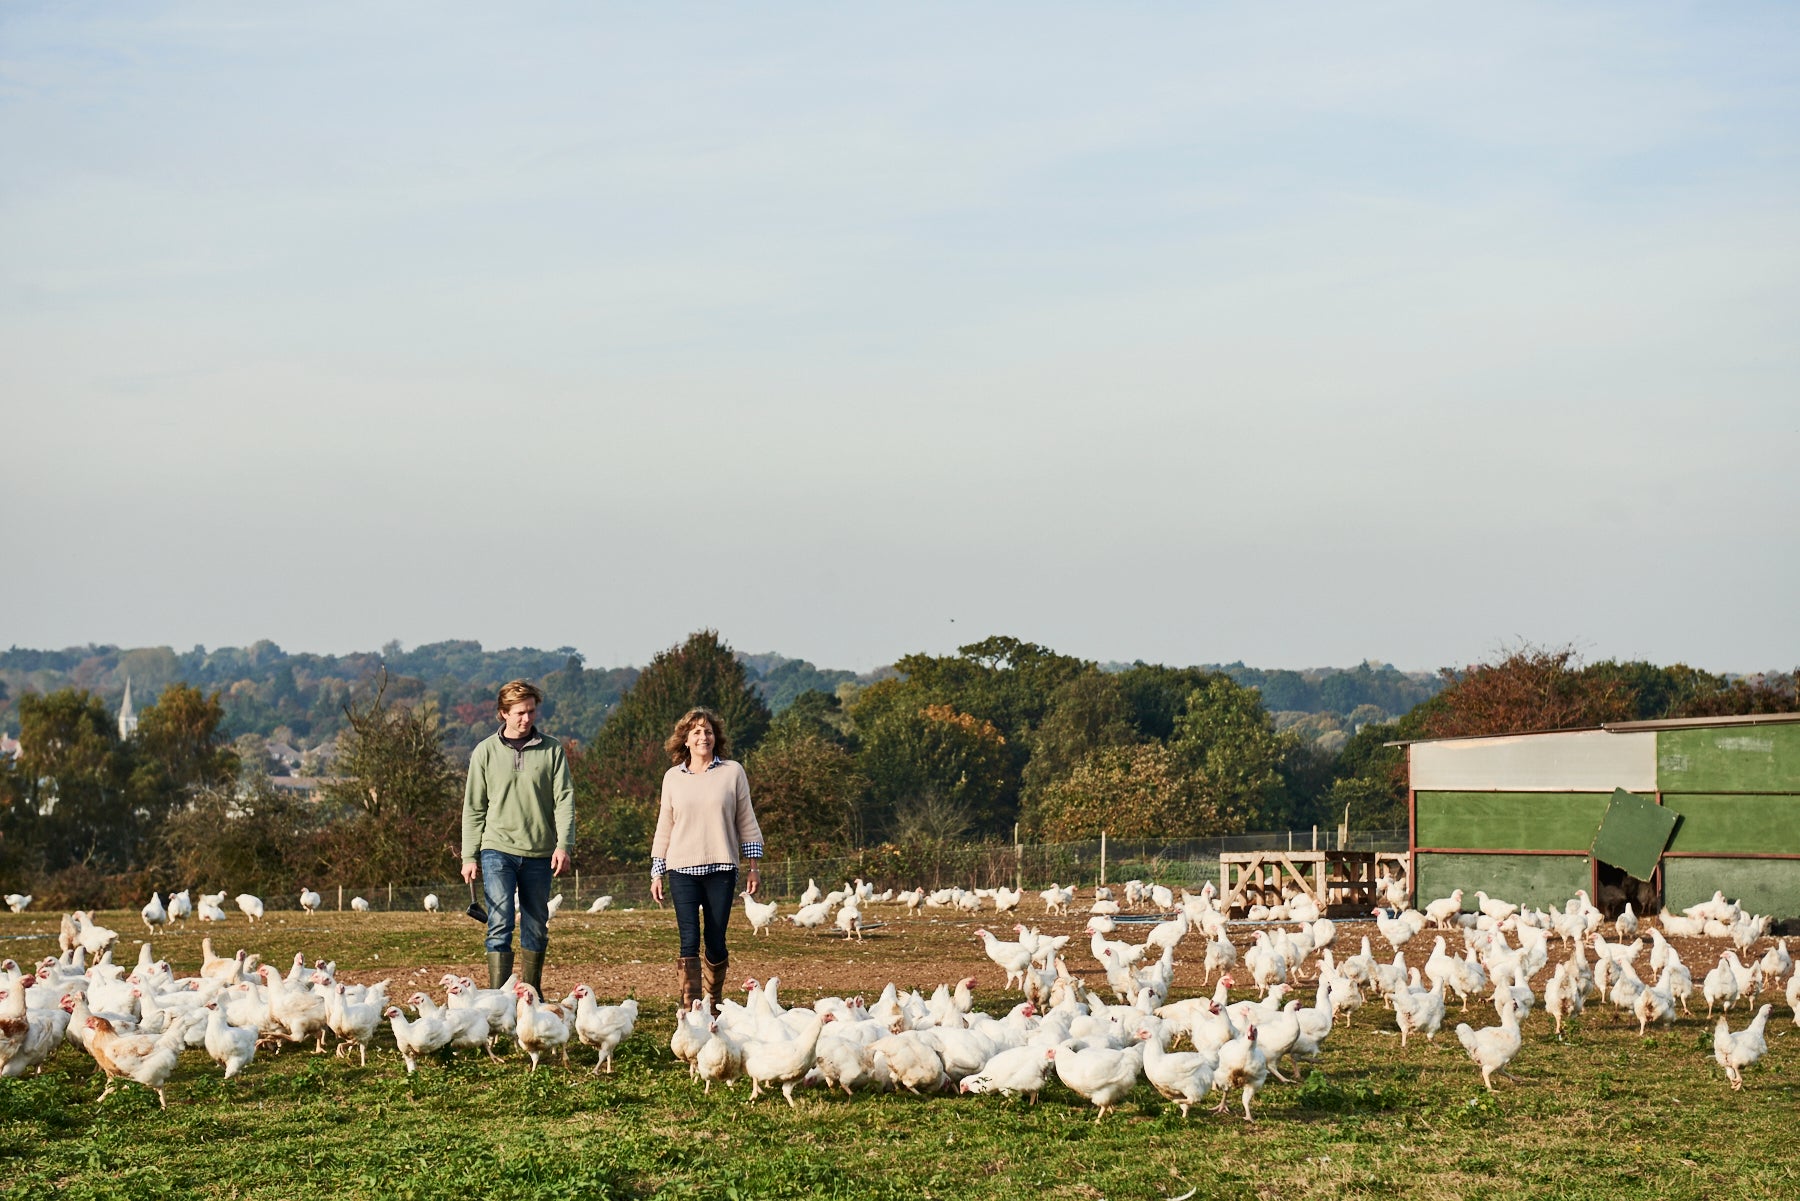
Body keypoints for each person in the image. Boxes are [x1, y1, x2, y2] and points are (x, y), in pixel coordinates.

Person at [461, 680, 573, 996]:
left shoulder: (552, 750)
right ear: (503, 713)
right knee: (500, 923)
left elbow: (564, 798)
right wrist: (469, 855)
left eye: (531, 711)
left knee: (536, 926)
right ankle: (500, 1003)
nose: (527, 718)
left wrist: (564, 845)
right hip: (496, 849)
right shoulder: (484, 752)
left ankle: (530, 997)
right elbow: (473, 806)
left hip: (540, 852)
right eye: (520, 713)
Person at [649, 706, 764, 1011]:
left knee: (715, 939)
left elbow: (746, 820)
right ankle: (690, 1006)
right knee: (688, 939)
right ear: (684, 739)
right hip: (681, 870)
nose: (704, 736)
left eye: (708, 731)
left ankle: (712, 1000)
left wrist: (753, 867)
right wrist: (657, 871)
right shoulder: (673, 777)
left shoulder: (732, 772)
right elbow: (665, 824)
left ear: (716, 737)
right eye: (696, 731)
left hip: (721, 868)